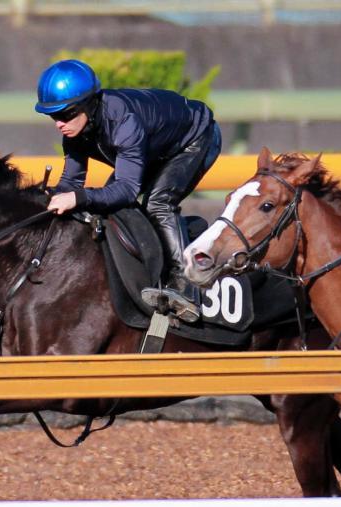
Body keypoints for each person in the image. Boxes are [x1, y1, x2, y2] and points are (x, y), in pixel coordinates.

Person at [35, 59, 221, 323]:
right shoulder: (74, 133)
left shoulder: (123, 120)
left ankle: (185, 287)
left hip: (195, 138)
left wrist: (77, 197)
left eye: (65, 114)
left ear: (89, 104)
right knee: (113, 207)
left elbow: (127, 190)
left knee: (158, 203)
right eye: (53, 116)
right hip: (154, 147)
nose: (59, 124)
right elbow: (71, 183)